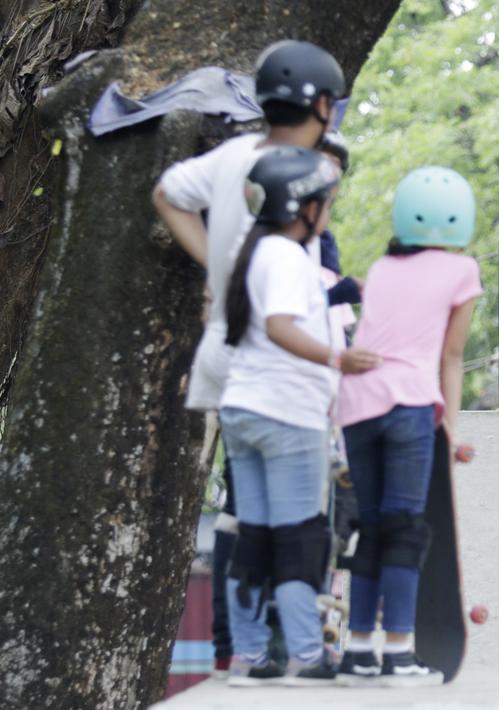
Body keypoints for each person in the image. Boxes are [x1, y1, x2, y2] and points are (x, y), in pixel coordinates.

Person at [151, 40, 374, 676]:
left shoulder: (233, 159)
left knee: (246, 520)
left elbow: (167, 193)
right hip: (284, 370)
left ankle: (249, 650)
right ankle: (303, 649)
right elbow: (290, 314)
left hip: (231, 354)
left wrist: (220, 269)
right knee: (300, 525)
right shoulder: (303, 177)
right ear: (325, 105)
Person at [334, 167, 482, 687]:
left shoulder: (381, 268)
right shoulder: (463, 270)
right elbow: (452, 354)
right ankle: (398, 654)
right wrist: (453, 429)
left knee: (373, 529)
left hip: (356, 405)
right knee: (405, 531)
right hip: (407, 404)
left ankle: (357, 653)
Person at [217, 147, 343, 685]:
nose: (329, 211)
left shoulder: (251, 251)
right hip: (287, 413)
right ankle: (308, 656)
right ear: (303, 206)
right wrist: (343, 358)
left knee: (255, 538)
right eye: (326, 202)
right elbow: (281, 325)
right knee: (297, 539)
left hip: (244, 408)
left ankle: (250, 655)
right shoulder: (289, 257)